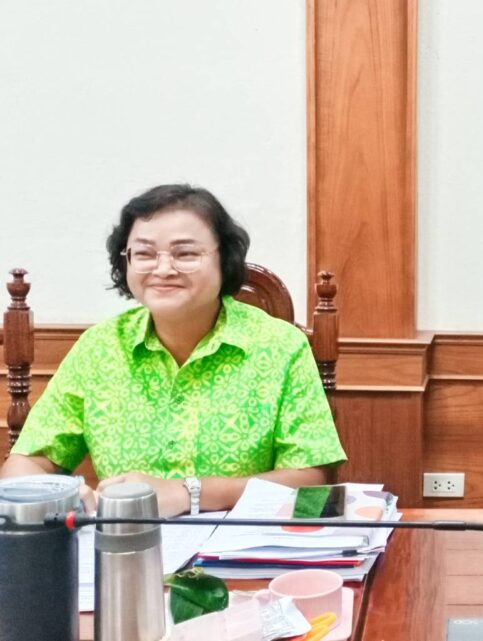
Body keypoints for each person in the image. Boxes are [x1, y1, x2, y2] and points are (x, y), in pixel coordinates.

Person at [0, 184, 347, 516]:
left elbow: (313, 480)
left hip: (242, 548)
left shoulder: (280, 346)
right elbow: (26, 462)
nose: (163, 269)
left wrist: (188, 493)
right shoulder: (99, 349)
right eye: (144, 254)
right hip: (125, 543)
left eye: (186, 254)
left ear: (224, 259)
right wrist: (55, 494)